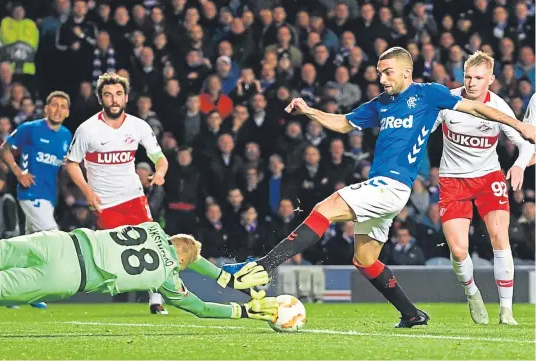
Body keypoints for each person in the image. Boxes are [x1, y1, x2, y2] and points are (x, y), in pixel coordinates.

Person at [222, 46, 535, 328]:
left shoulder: (429, 94)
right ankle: (411, 314)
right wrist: (310, 112)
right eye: (379, 73)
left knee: (324, 209)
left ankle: (262, 268)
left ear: (406, 73)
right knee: (366, 259)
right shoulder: (380, 104)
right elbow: (344, 122)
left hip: (392, 186)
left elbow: (476, 108)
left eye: (388, 72)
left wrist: (519, 126)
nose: (382, 78)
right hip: (382, 188)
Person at [0, 222, 274, 323]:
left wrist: (207, 263)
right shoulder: (165, 278)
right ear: (183, 262)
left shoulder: (149, 226)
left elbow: (181, 245)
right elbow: (200, 306)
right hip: (65, 278)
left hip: (59, 242)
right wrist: (239, 307)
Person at [433, 51, 534, 326]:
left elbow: (526, 141)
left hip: (489, 178)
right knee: (458, 250)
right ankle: (472, 292)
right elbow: (423, 129)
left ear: (491, 79)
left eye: (478, 78)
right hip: (453, 180)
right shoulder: (447, 101)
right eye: (467, 76)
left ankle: (506, 310)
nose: (472, 83)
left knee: (500, 237)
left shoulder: (499, 107)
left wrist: (519, 166)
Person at [65, 72, 170, 314]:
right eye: (108, 95)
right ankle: (115, 290)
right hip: (104, 202)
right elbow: (72, 163)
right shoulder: (87, 129)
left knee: (151, 243)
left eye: (118, 94)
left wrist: (160, 171)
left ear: (126, 97)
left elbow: (159, 157)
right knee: (117, 252)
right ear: (100, 98)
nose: (114, 100)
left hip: (133, 196)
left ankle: (156, 299)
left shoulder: (138, 125)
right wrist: (88, 192)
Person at [0, 91, 73, 309]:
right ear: (46, 108)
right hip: (30, 193)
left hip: (49, 197)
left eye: (62, 107)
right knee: (53, 235)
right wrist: (19, 172)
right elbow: (4, 149)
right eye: (54, 105)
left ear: (67, 112)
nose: (58, 110)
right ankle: (41, 286)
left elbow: (64, 167)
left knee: (28, 244)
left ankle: (14, 289)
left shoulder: (66, 135)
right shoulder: (30, 129)